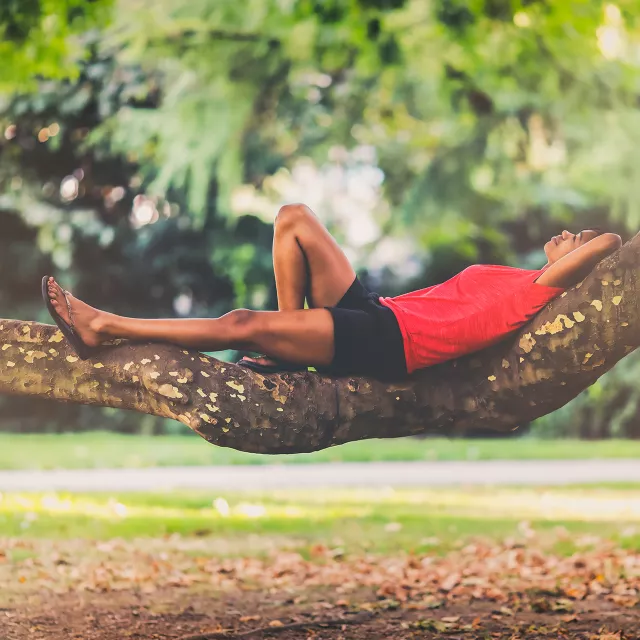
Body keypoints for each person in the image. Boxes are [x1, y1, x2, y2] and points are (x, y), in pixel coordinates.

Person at [43, 204, 622, 381]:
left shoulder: (539, 294)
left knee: (242, 321)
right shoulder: (516, 278)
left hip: (393, 345)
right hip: (378, 314)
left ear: (575, 269)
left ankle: (105, 326)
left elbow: (613, 242)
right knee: (293, 217)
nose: (570, 235)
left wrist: (588, 251)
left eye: (577, 240)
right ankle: (285, 346)